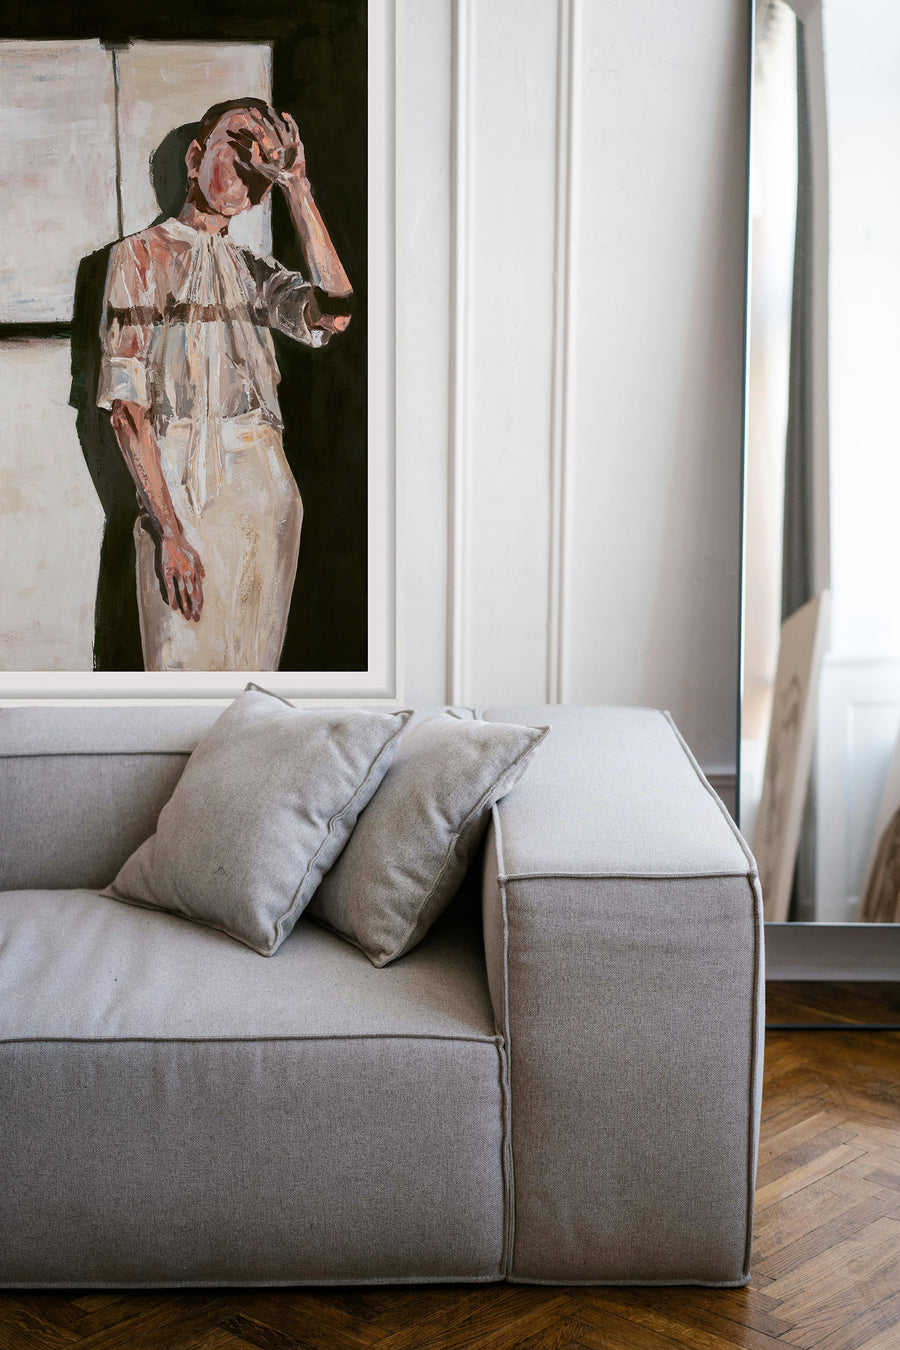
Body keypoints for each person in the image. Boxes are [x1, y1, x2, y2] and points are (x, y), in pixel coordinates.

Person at [97, 99, 352, 671]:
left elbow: (335, 312)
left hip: (264, 491)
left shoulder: (250, 271)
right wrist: (169, 531)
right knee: (177, 668)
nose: (245, 168)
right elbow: (126, 407)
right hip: (180, 488)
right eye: (235, 146)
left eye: (259, 159)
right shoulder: (138, 256)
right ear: (195, 156)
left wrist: (297, 187)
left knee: (254, 676)